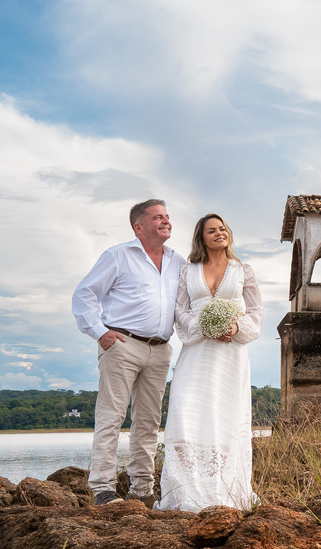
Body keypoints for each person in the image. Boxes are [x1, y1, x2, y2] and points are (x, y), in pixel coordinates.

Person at [72, 199, 185, 505]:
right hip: (122, 344)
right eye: (157, 217)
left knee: (148, 422)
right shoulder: (118, 255)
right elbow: (85, 294)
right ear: (139, 226)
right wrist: (100, 333)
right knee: (111, 416)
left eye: (167, 216)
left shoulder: (178, 261)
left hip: (160, 350)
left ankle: (143, 490)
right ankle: (103, 489)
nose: (166, 221)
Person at [156, 213, 262, 512]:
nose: (219, 233)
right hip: (196, 350)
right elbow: (179, 310)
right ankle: (186, 490)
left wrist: (235, 328)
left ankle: (223, 489)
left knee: (225, 414)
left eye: (223, 228)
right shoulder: (188, 272)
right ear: (201, 237)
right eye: (212, 230)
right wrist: (204, 327)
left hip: (231, 352)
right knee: (184, 408)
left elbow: (256, 311)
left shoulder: (244, 271)